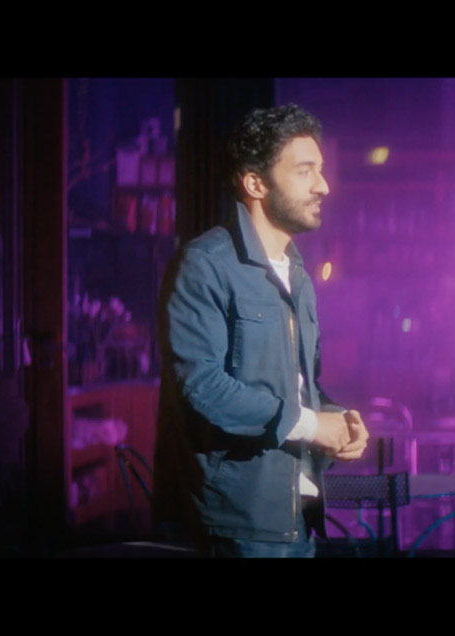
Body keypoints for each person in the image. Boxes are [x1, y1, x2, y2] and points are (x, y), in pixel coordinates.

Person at [153, 104, 368, 558]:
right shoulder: (205, 265)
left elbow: (298, 387)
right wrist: (314, 426)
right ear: (255, 184)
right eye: (305, 171)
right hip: (241, 523)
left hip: (298, 518)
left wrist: (339, 422)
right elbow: (201, 387)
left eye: (321, 170)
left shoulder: (297, 273)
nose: (323, 185)